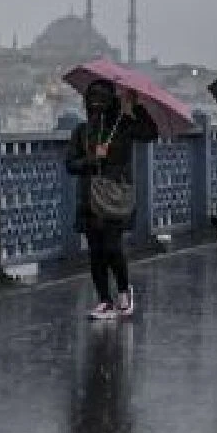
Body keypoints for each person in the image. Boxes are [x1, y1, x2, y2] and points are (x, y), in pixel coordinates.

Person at [65, 80, 158, 319]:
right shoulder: (82, 131)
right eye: (92, 98)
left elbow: (150, 133)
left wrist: (135, 106)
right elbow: (70, 163)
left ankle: (124, 291)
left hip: (115, 196)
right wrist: (89, 162)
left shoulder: (123, 125)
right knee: (96, 251)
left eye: (101, 98)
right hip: (89, 198)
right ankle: (104, 300)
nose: (96, 103)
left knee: (112, 247)